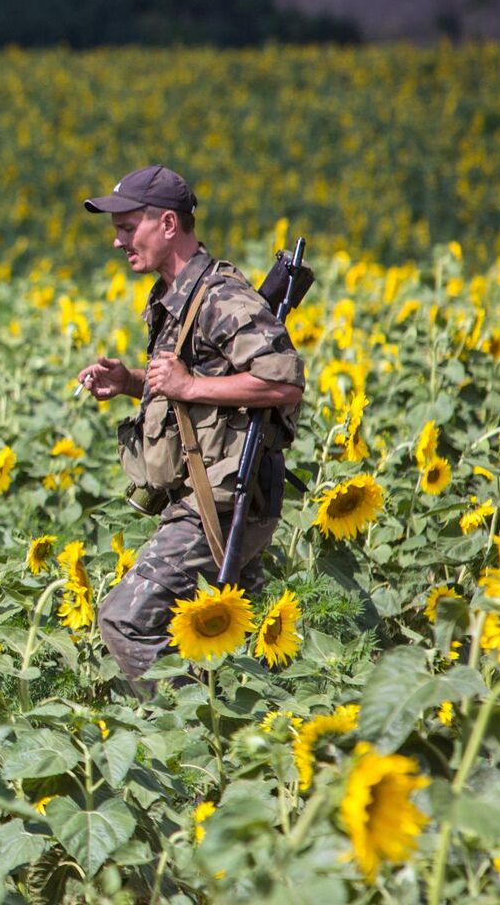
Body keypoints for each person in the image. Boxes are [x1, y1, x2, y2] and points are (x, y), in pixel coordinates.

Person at [76, 166, 304, 693]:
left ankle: (189, 730)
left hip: (224, 503)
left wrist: (188, 386)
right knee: (233, 653)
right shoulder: (175, 296)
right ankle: (254, 737)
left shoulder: (220, 294)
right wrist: (131, 382)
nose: (117, 241)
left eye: (128, 227)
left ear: (169, 223)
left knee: (124, 620)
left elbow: (284, 381)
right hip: (204, 498)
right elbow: (192, 386)